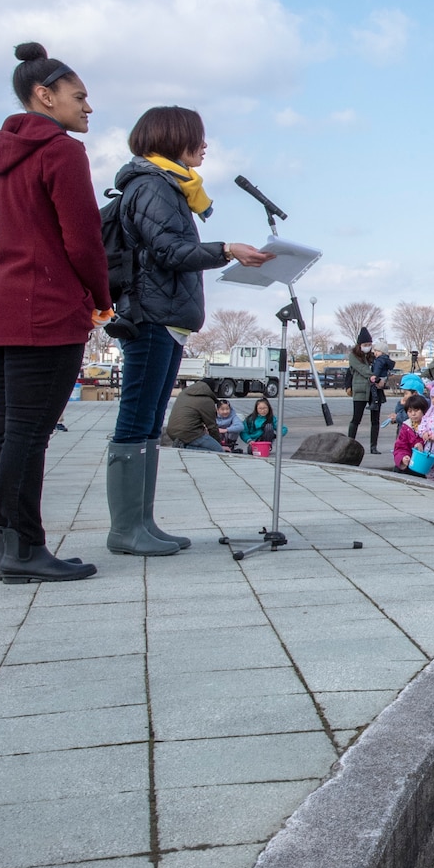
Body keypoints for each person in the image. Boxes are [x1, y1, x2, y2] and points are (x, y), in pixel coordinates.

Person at [108, 104, 271, 557]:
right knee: (137, 419)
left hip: (167, 318)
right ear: (173, 138)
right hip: (151, 317)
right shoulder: (154, 187)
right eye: (197, 137)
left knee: (147, 422)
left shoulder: (170, 188)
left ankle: (141, 522)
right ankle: (126, 529)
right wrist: (226, 249)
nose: (204, 146)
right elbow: (168, 250)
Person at [0, 43, 108, 583]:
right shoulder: (61, 151)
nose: (88, 107)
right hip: (46, 305)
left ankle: (5, 545)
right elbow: (82, 239)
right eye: (80, 97)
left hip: (0, 299)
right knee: (30, 434)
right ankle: (26, 548)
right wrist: (100, 296)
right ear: (44, 95)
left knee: (5, 432)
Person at [164, 379, 224, 452]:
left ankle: (183, 445)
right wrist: (218, 443)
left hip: (172, 431)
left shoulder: (183, 394)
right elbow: (212, 427)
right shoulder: (207, 401)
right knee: (219, 451)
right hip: (189, 433)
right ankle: (184, 448)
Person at [392, 392, 427, 474]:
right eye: (410, 411)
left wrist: (421, 443)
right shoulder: (406, 427)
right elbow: (400, 446)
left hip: (425, 463)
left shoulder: (430, 425)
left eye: (416, 410)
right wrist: (403, 457)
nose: (413, 414)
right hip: (411, 462)